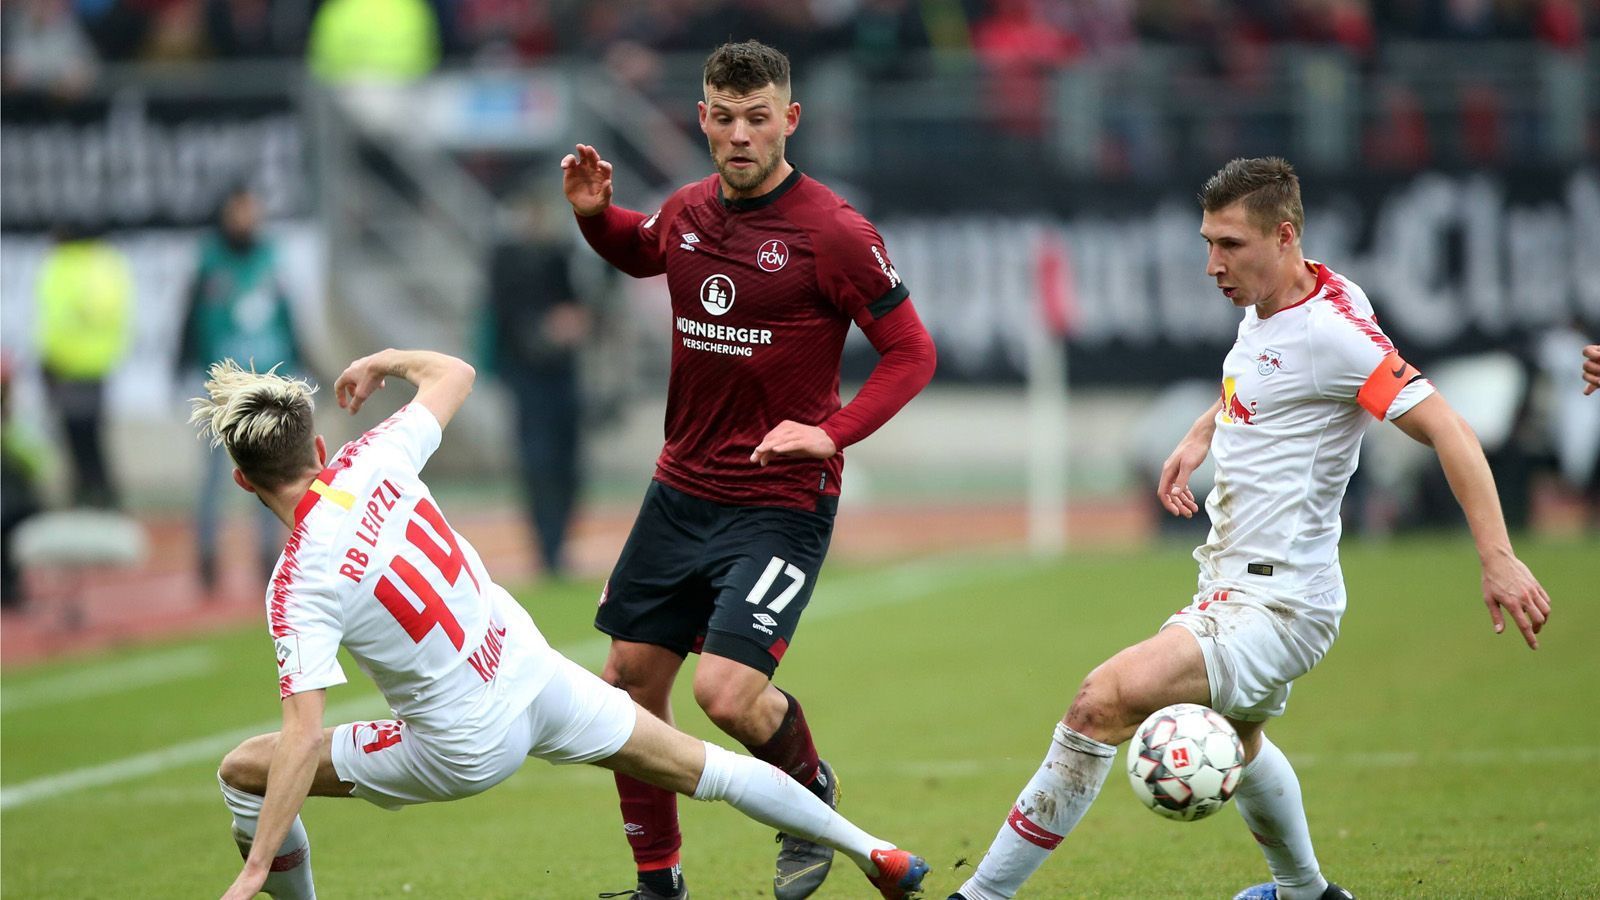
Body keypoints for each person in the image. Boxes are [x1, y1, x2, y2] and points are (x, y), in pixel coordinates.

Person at [949, 157, 1552, 900]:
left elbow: (1451, 429)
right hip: (1237, 585)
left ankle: (978, 896)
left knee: (1100, 702)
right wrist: (1207, 428)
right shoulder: (1275, 301)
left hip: (1279, 604)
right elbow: (1263, 377)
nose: (1212, 264)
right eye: (1208, 242)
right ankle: (1307, 894)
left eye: (1229, 245)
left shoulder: (1335, 332)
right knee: (1239, 740)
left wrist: (1498, 558)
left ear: (1284, 236)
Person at [193, 350, 929, 900]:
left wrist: (257, 866)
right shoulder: (369, 459)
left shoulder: (295, 584)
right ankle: (878, 853)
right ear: (317, 450)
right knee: (710, 768)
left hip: (461, 745)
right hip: (530, 673)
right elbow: (454, 373)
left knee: (243, 773)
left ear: (242, 482)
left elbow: (299, 736)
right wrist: (385, 361)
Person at [561, 39, 938, 900]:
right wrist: (595, 218)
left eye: (757, 118)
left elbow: (911, 353)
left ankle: (808, 795)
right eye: (723, 117)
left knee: (725, 695)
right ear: (702, 118)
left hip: (778, 503)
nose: (739, 135)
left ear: (789, 120)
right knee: (626, 689)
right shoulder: (690, 209)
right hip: (680, 490)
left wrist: (831, 433)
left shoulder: (834, 233)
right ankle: (659, 885)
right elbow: (644, 249)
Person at [177, 184, 304, 592]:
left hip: (268, 382)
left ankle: (270, 556)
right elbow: (190, 316)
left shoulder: (271, 258)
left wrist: (302, 362)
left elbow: (288, 315)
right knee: (217, 475)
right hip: (224, 386)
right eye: (241, 209)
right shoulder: (209, 261)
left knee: (272, 473)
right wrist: (181, 365)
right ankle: (207, 554)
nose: (248, 217)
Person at [483, 193, 590, 579]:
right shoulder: (507, 258)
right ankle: (548, 546)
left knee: (566, 460)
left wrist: (573, 322)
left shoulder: (561, 253)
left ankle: (557, 543)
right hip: (528, 374)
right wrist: (547, 329)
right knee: (540, 460)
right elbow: (505, 315)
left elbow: (580, 302)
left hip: (560, 372)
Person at [35, 224, 132, 509]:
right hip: (93, 364)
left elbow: (55, 320)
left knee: (80, 435)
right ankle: (97, 495)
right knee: (88, 434)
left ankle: (93, 495)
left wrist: (51, 359)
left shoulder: (64, 265)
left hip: (69, 365)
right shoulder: (106, 263)